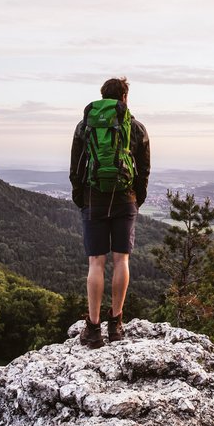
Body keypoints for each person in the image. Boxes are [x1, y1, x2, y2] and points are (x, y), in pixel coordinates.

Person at [69, 77, 151, 348]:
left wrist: (82, 199)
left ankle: (93, 329)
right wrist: (136, 200)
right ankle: (115, 324)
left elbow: (75, 168)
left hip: (94, 199)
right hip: (125, 199)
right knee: (121, 260)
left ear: (103, 96)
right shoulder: (135, 127)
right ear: (125, 97)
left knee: (96, 262)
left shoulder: (85, 126)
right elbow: (144, 169)